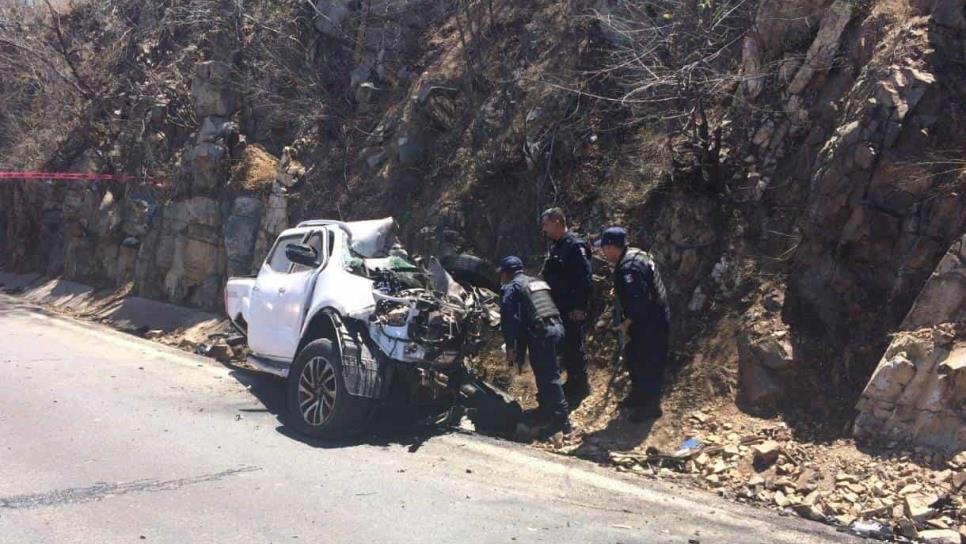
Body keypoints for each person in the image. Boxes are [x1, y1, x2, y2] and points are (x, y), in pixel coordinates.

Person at [599, 227, 670, 421]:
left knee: (649, 364)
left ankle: (650, 408)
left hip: (650, 323)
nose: (603, 253)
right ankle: (638, 396)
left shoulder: (628, 267)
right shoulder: (636, 255)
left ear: (612, 247)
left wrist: (626, 323)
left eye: (604, 248)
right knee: (634, 358)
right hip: (649, 319)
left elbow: (641, 300)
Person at [497, 256, 571, 436]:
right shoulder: (536, 282)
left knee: (548, 375)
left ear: (506, 273)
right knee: (544, 372)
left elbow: (509, 320)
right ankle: (546, 409)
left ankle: (561, 421)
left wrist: (510, 347)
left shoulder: (512, 287)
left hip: (542, 333)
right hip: (557, 328)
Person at [539, 207, 593, 404]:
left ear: (558, 222)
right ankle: (572, 383)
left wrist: (580, 307)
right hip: (559, 306)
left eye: (546, 225)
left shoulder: (574, 246)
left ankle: (581, 387)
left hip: (572, 307)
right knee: (566, 346)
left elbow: (585, 278)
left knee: (574, 346)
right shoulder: (557, 245)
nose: (544, 229)